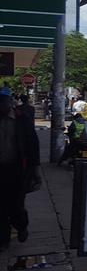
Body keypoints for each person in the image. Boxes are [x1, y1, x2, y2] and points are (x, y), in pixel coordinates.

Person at [0, 87, 40, 249]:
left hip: (17, 170)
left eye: (3, 101)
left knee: (16, 206)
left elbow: (33, 145)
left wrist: (35, 170)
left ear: (10, 102)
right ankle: (3, 240)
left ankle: (21, 226)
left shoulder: (21, 119)